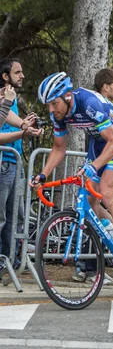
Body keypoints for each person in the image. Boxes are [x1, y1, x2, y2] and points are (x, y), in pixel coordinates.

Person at [30, 72, 113, 273]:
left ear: (67, 96)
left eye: (54, 104)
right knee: (90, 202)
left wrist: (93, 166)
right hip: (99, 144)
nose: (51, 110)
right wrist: (43, 175)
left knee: (106, 191)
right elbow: (58, 148)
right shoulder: (59, 113)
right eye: (47, 105)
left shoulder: (89, 103)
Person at [0, 58, 42, 271]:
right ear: (5, 76)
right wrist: (23, 131)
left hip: (14, 161)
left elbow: (10, 117)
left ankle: (10, 260)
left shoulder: (10, 96)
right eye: (17, 72)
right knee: (2, 217)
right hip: (4, 162)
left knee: (16, 216)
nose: (22, 76)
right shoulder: (3, 96)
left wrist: (27, 126)